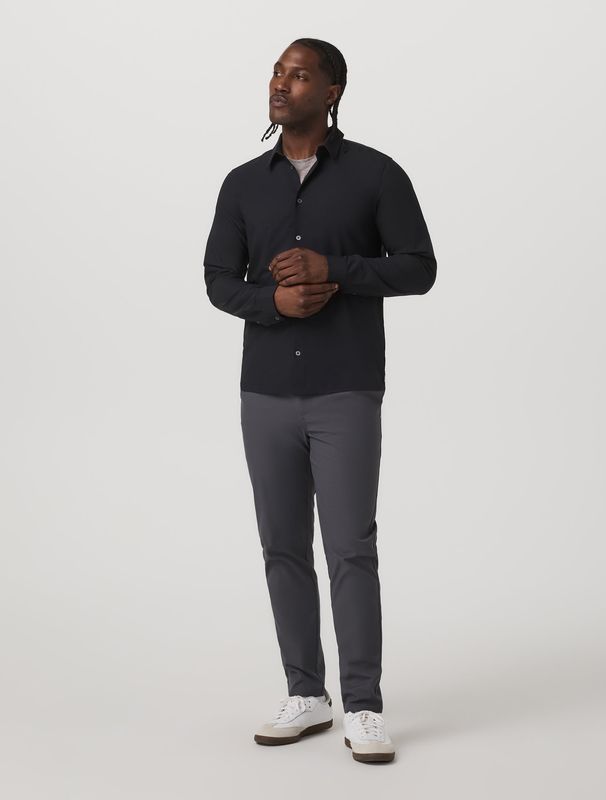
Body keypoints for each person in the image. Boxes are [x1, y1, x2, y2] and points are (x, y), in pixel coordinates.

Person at [203, 37, 437, 764]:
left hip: (345, 388)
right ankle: (306, 693)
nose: (282, 83)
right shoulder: (243, 183)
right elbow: (217, 279)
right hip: (265, 392)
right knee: (281, 546)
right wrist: (272, 302)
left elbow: (419, 268)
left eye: (299, 75)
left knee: (350, 548)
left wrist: (333, 268)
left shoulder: (376, 174)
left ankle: (363, 705)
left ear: (331, 92)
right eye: (278, 72)